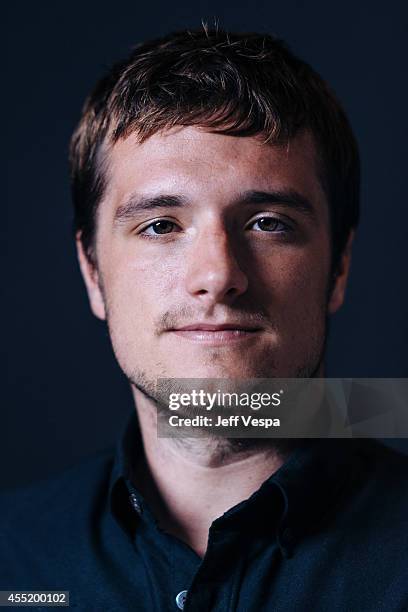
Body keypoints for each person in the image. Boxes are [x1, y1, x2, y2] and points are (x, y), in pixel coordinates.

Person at [2, 28, 407, 611]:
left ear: (338, 268)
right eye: (161, 225)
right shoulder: (12, 554)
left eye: (269, 222)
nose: (218, 274)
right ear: (93, 272)